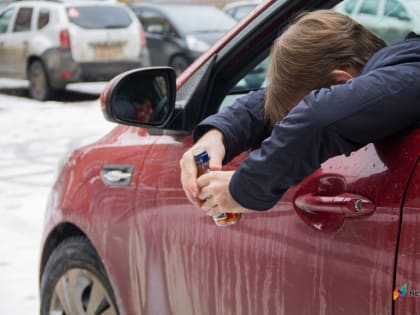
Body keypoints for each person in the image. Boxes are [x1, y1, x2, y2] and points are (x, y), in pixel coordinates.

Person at [180, 10, 420, 217]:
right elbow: (276, 100)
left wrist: (240, 190)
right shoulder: (404, 75)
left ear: (339, 84)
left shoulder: (411, 75)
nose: (292, 121)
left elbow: (319, 116)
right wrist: (218, 135)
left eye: (293, 118)